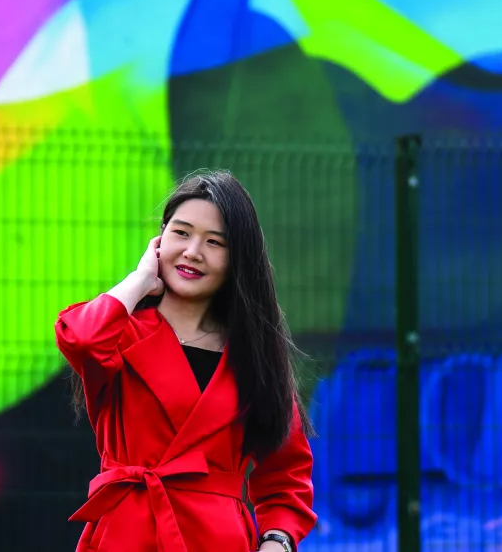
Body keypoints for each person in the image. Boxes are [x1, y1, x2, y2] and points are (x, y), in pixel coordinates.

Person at [55, 169, 316, 552]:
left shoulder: (255, 358)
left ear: (237, 259)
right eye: (181, 232)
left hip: (218, 539)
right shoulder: (120, 332)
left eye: (215, 242)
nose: (193, 251)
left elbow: (286, 477)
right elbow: (79, 338)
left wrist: (276, 541)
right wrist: (140, 279)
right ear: (158, 239)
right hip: (126, 533)